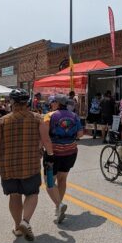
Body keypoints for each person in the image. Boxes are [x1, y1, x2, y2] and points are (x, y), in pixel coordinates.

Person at [0, 89, 54, 242]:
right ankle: (26, 221)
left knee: (14, 195)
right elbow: (46, 141)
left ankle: (17, 227)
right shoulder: (38, 118)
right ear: (27, 102)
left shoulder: (3, 121)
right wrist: (50, 156)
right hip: (30, 165)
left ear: (12, 102)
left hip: (9, 166)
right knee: (32, 193)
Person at [43, 94, 83, 224]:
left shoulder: (49, 115)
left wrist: (42, 149)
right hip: (71, 152)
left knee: (49, 182)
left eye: (52, 102)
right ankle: (58, 207)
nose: (51, 104)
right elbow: (80, 134)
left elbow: (44, 136)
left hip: (53, 154)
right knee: (62, 179)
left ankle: (59, 204)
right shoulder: (74, 116)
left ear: (57, 103)